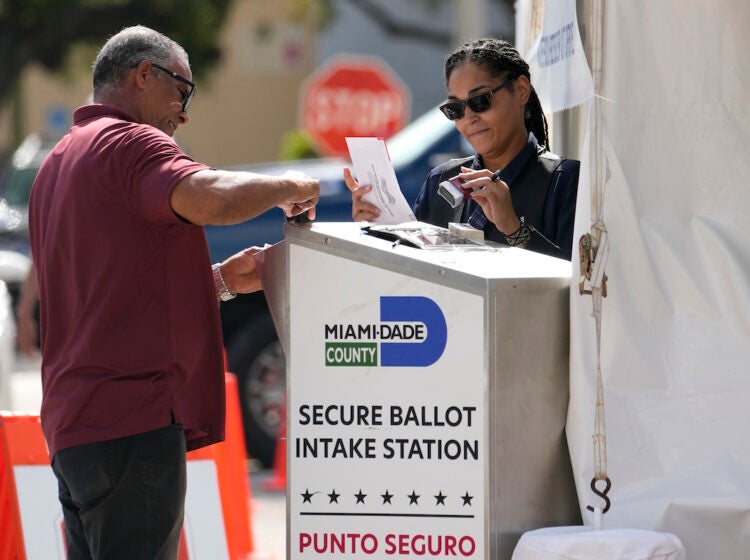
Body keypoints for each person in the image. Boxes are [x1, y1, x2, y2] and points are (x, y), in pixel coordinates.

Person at [28, 26, 319, 559]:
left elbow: (107, 297)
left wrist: (220, 281)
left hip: (75, 426)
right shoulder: (132, 141)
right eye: (182, 91)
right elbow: (208, 197)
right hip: (131, 420)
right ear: (144, 75)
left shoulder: (57, 163)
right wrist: (292, 185)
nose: (183, 114)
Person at [346, 37, 579, 260]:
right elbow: (412, 276)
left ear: (520, 90)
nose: (468, 118)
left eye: (480, 101)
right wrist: (377, 227)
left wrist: (513, 227)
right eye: (455, 109)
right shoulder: (440, 180)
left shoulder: (565, 181)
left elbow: (577, 289)